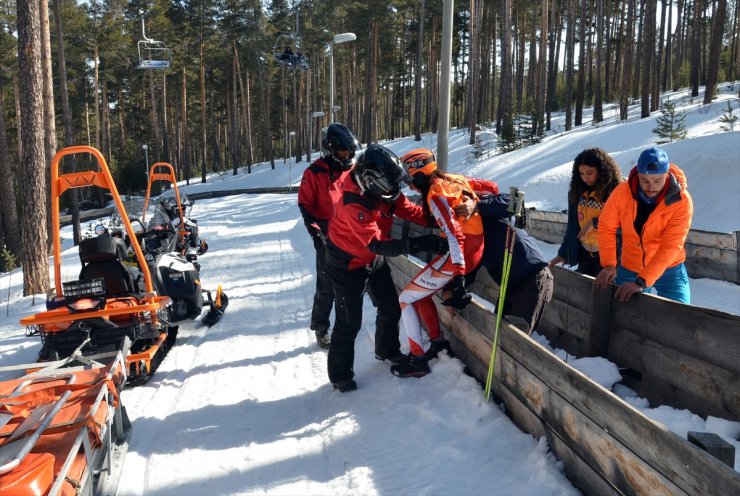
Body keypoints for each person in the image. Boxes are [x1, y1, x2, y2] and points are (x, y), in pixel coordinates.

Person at [325, 144, 444, 392]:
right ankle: (340, 376)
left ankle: (387, 350)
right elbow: (378, 243)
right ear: (371, 183)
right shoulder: (353, 203)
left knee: (390, 307)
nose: (394, 191)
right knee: (349, 323)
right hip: (347, 263)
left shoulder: (384, 190)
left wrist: (434, 219)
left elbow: (406, 208)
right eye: (390, 186)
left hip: (372, 258)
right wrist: (420, 242)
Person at [393, 148, 499, 378]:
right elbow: (492, 187)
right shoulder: (455, 179)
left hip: (462, 253)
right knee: (420, 295)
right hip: (471, 248)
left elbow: (453, 234)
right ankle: (438, 342)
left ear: (419, 173)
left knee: (405, 298)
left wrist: (459, 278)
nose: (410, 186)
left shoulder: (435, 195)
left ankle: (418, 359)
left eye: (410, 180)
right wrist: (474, 202)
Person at [594, 147, 693, 303]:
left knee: (681, 315)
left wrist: (642, 281)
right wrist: (609, 264)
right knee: (619, 311)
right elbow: (606, 227)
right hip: (631, 264)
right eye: (645, 180)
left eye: (657, 181)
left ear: (667, 175)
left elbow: (671, 245)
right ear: (638, 175)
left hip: (670, 267)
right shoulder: (621, 192)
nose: (651, 186)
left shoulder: (681, 200)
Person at [298, 123, 359, 349]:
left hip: (352, 233)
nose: (347, 155)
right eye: (343, 151)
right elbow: (305, 205)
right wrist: (316, 234)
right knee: (327, 286)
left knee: (353, 283)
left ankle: (349, 324)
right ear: (331, 150)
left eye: (350, 151)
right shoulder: (314, 172)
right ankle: (321, 327)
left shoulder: (353, 171)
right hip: (327, 234)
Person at [457, 193, 553, 335]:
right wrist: (455, 292)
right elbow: (471, 265)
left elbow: (513, 201)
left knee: (514, 337)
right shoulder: (469, 232)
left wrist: (477, 206)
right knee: (498, 334)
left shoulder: (484, 207)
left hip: (533, 278)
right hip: (510, 286)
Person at [549, 148, 623, 276]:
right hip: (585, 254)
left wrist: (593, 223)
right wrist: (563, 254)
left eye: (590, 172)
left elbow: (623, 225)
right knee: (582, 290)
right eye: (582, 173)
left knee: (603, 293)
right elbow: (572, 226)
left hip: (610, 255)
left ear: (602, 170)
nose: (586, 178)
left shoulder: (616, 191)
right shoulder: (577, 192)